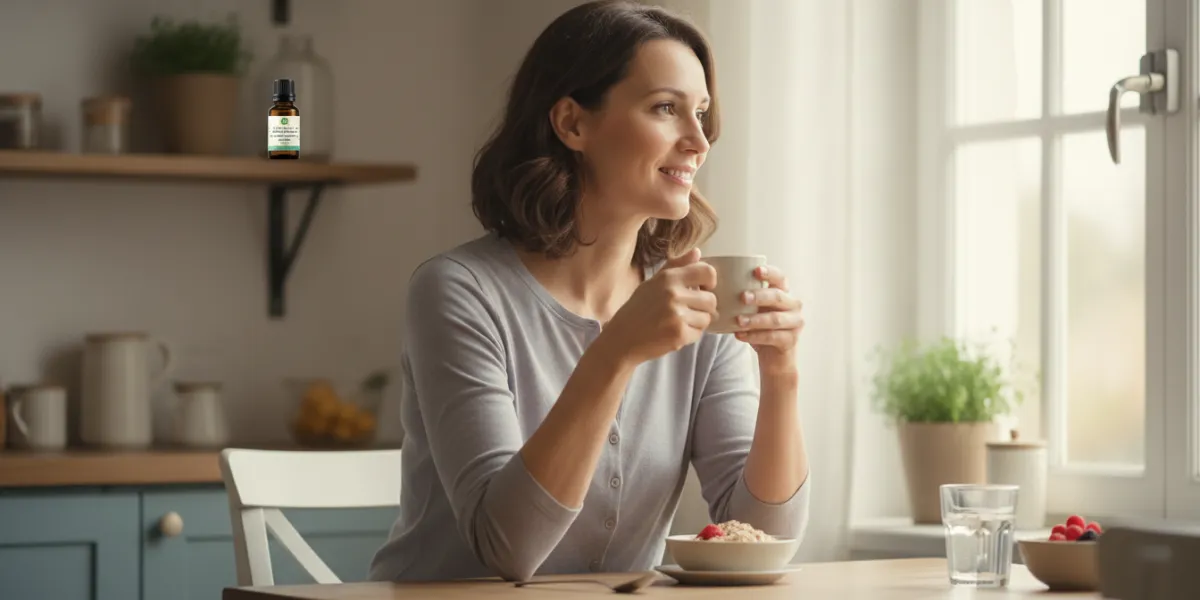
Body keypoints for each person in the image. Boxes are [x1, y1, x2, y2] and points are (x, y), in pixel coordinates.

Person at [367, 0, 810, 583]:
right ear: (573, 123)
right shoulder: (459, 292)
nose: (699, 141)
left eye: (701, 113)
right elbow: (508, 549)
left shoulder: (698, 304)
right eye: (666, 108)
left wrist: (781, 377)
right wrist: (617, 349)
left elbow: (761, 539)